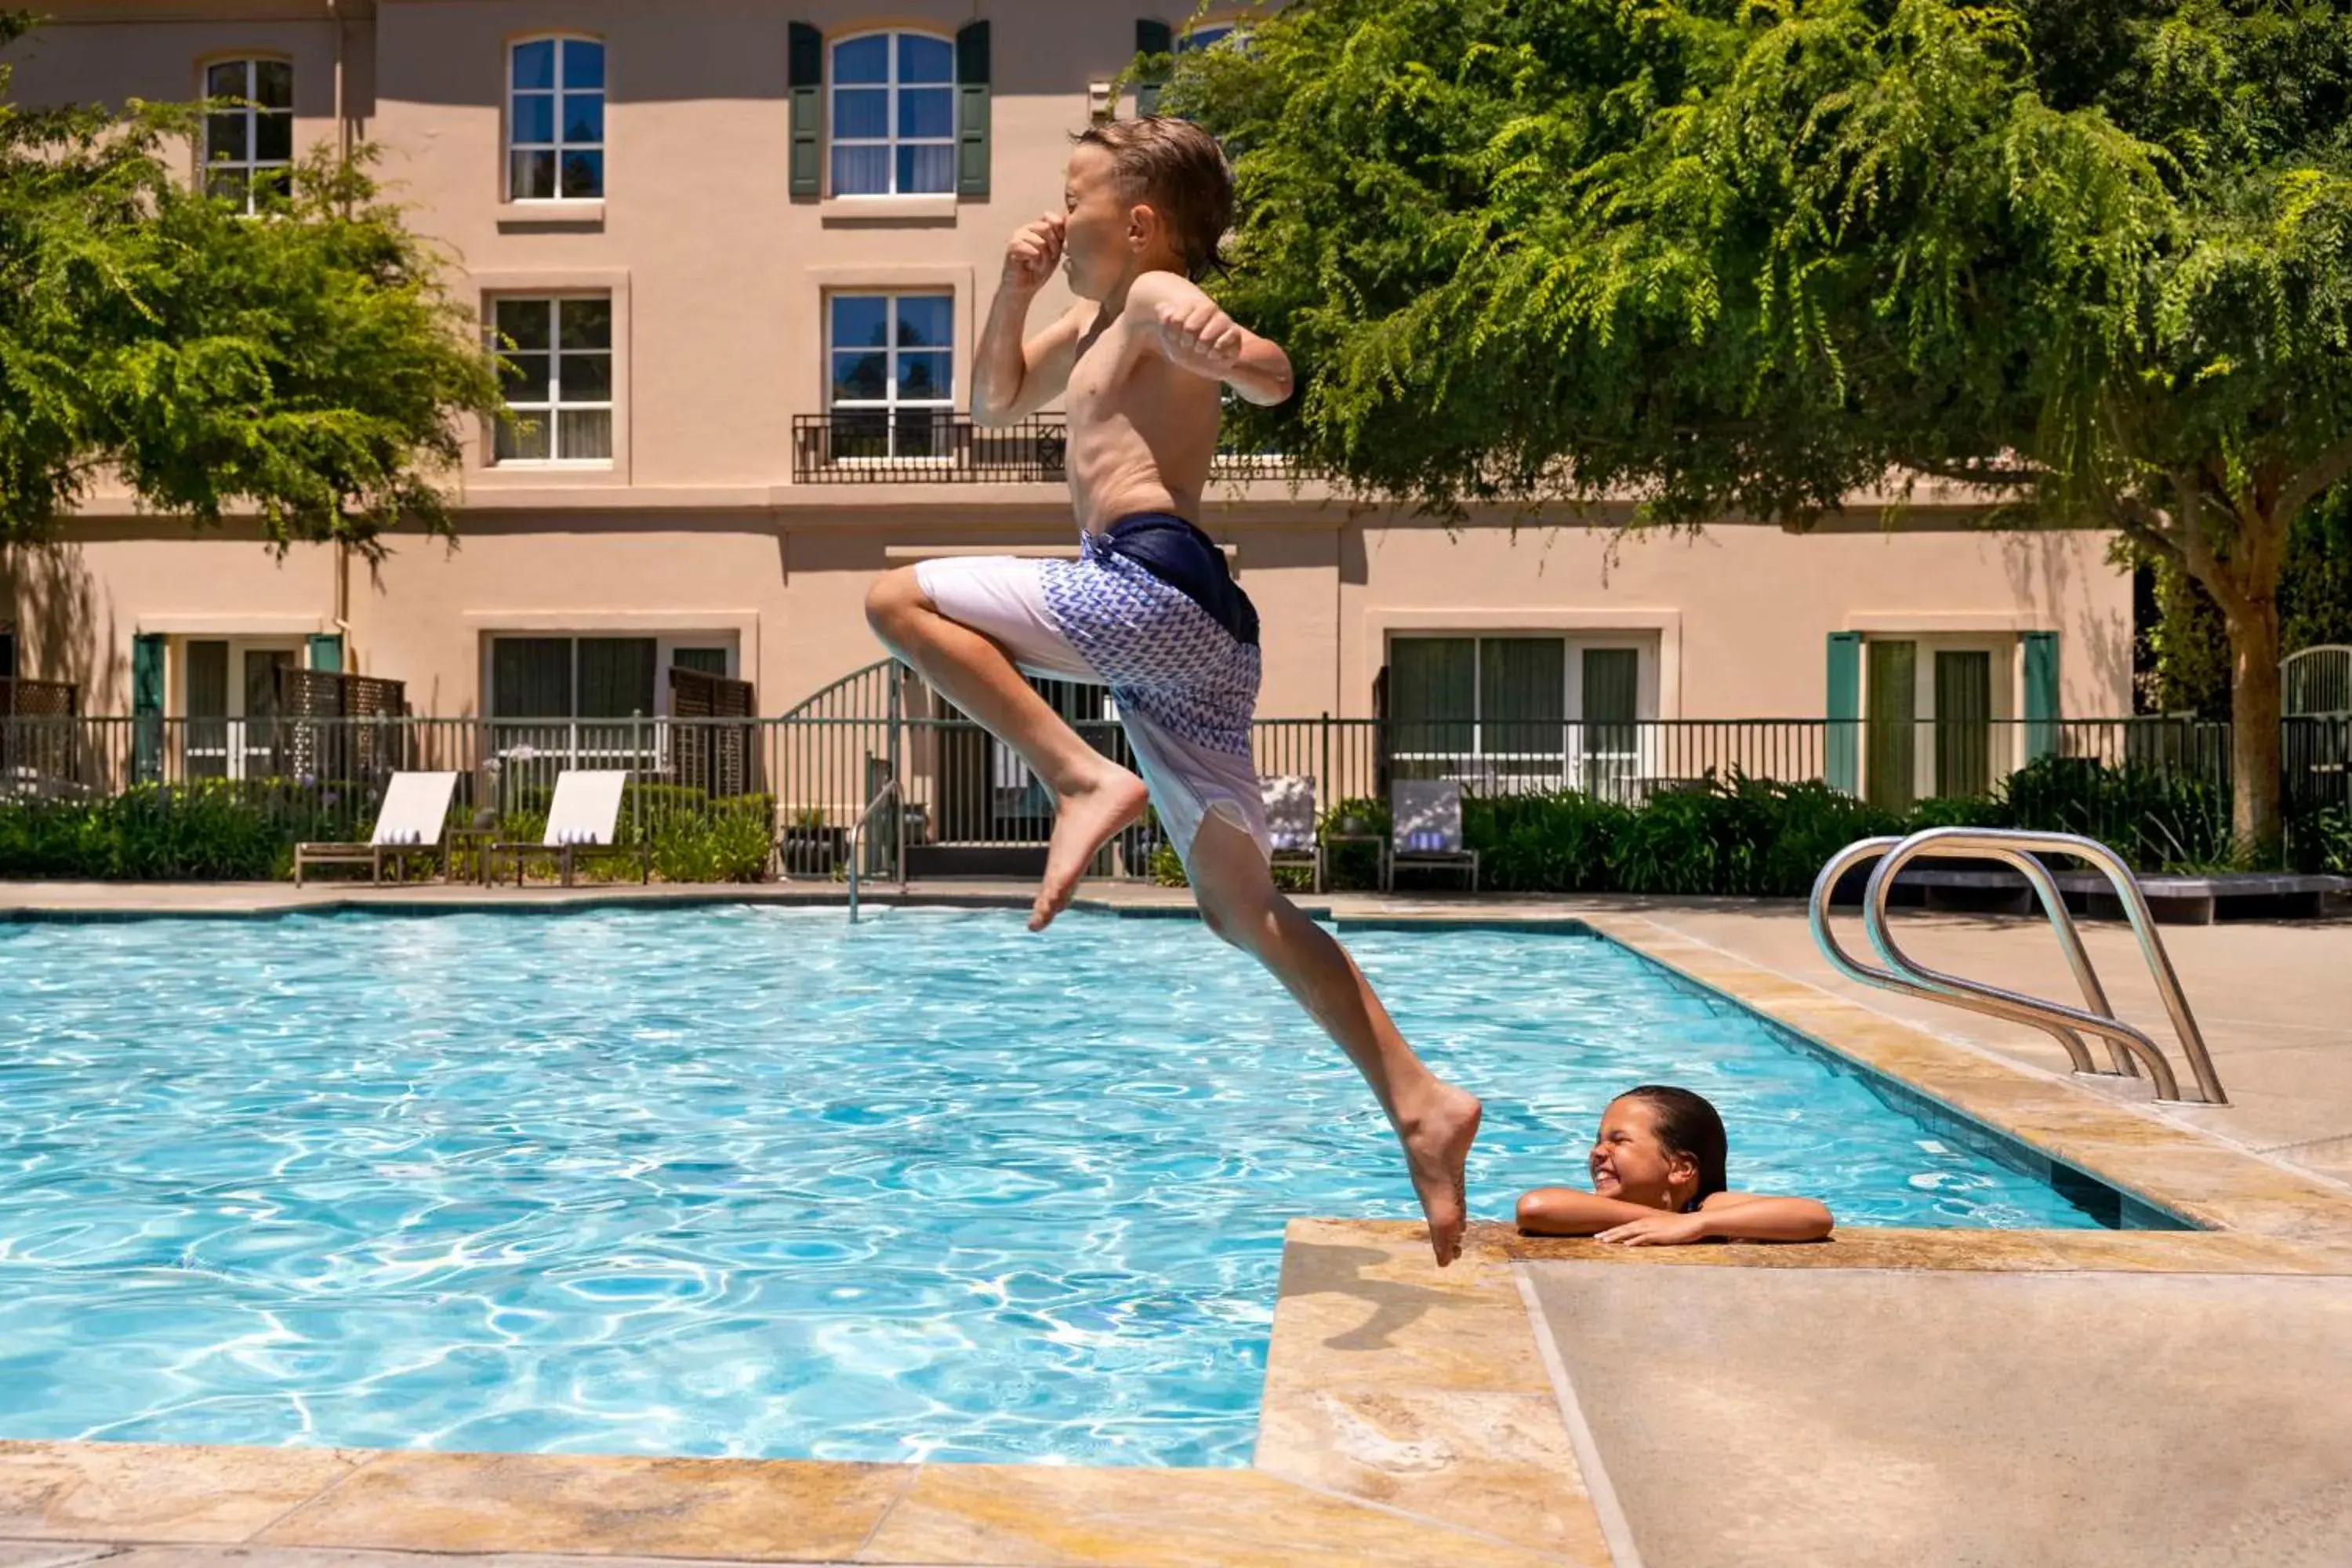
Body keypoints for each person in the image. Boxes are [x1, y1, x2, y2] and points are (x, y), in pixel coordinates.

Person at [863, 118, 1483, 1266]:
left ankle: (1078, 775)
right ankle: (1421, 1102)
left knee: (896, 601)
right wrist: (1012, 284)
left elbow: (1262, 368)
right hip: (1202, 637)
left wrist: (1235, 350)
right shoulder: (1090, 321)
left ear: (1140, 222)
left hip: (1150, 588)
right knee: (1240, 913)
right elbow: (994, 402)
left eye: (1074, 194)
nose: (1057, 213)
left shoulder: (1150, 299)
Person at [1515, 1086, 1834, 1245]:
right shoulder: (1600, 1205)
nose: (1599, 1151)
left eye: (1619, 1140)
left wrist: (1697, 1224)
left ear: (1680, 1169)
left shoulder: (1703, 1207)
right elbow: (1536, 1207)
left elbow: (1813, 1215)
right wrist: (1664, 1220)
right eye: (1599, 1139)